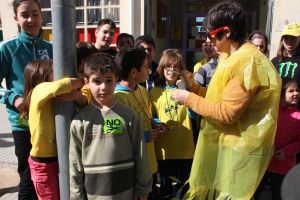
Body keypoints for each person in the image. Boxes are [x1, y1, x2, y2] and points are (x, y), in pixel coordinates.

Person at [170, 1, 281, 199]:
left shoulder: (246, 62)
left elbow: (227, 113)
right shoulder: (230, 56)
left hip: (239, 152)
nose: (208, 41)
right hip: (226, 146)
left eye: (211, 35)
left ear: (227, 32)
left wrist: (188, 98)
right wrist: (194, 87)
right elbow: (218, 98)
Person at [0, 0, 52, 199]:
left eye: (35, 13)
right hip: (22, 125)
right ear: (16, 18)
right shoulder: (7, 48)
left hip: (50, 123)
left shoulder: (52, 48)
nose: (31, 19)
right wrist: (14, 99)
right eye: (24, 15)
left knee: (48, 177)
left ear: (42, 15)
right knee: (28, 179)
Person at [21, 59, 84, 200]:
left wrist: (77, 96)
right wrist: (81, 81)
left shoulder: (48, 98)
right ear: (42, 75)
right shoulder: (38, 90)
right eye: (55, 71)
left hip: (55, 159)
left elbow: (84, 102)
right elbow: (60, 86)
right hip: (43, 163)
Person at [114, 47, 167, 199]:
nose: (149, 69)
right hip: (133, 168)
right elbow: (114, 134)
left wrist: (155, 123)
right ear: (133, 72)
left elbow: (146, 116)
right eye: (145, 66)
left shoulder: (142, 90)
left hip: (150, 163)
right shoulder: (117, 97)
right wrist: (145, 135)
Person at [150, 49, 195, 199]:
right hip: (164, 150)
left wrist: (185, 90)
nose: (171, 71)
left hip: (185, 148)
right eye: (168, 67)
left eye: (176, 67)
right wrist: (158, 123)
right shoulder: (155, 92)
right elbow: (151, 116)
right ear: (162, 68)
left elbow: (195, 115)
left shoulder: (188, 90)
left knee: (186, 189)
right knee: (165, 190)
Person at [253, 77, 300, 200]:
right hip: (264, 164)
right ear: (281, 94)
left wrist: (286, 152)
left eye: (297, 90)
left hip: (284, 167)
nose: (296, 93)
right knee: (254, 194)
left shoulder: (298, 116)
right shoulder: (272, 112)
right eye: (291, 91)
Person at [271, 22, 300, 87]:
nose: (289, 42)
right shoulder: (275, 61)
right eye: (286, 38)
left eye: (293, 38)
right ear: (282, 40)